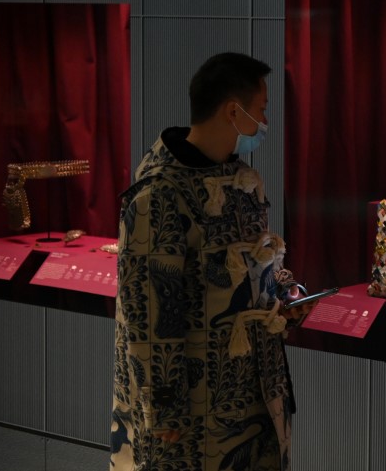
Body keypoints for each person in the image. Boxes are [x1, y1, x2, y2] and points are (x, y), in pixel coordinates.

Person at [110, 52, 310, 471]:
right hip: (192, 406)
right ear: (232, 111)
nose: (264, 122)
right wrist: (164, 407)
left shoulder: (243, 181)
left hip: (252, 388)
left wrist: (285, 294)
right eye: (261, 110)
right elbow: (146, 309)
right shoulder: (158, 195)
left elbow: (256, 263)